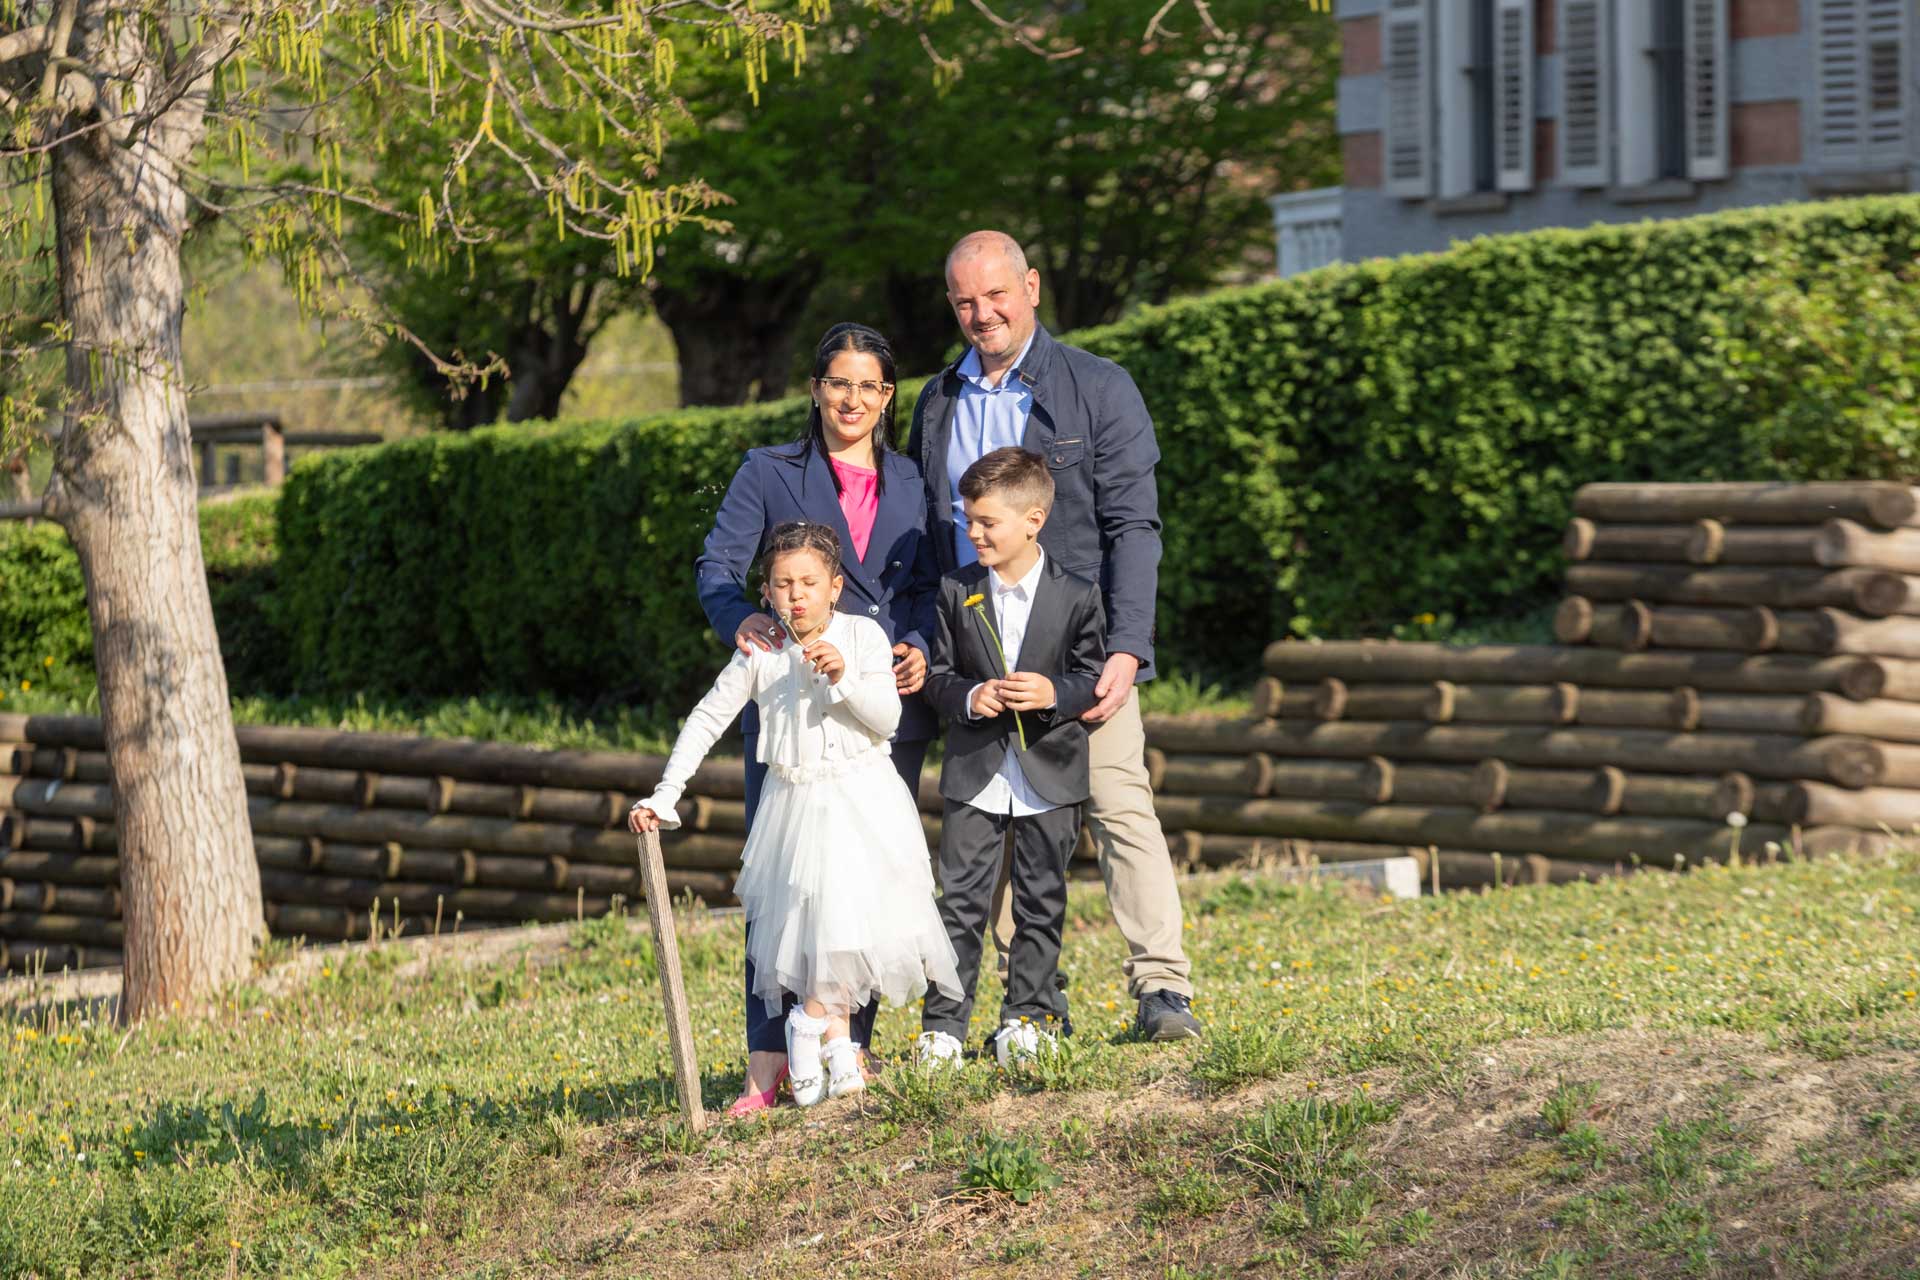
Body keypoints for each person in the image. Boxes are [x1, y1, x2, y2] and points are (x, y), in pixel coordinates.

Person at [906, 230, 1203, 1042]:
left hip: (1078, 650)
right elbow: (930, 537)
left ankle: (1162, 991)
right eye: (964, 300)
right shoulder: (935, 404)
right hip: (976, 655)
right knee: (992, 826)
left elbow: (1134, 526)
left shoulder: (1099, 388)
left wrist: (1127, 647)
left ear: (1031, 287)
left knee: (1117, 805)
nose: (981, 313)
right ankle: (1032, 1006)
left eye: (996, 295)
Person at [695, 323, 942, 1114]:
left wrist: (916, 646)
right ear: (815, 388)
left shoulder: (912, 479)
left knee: (864, 886)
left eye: (870, 387)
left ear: (888, 397)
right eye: (840, 383)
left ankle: (850, 1048)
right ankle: (767, 1061)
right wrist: (742, 619)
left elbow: (928, 586)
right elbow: (717, 565)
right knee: (787, 884)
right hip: (791, 714)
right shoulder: (768, 471)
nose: (854, 400)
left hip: (873, 708)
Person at [636, 521, 961, 1106]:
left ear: (835, 586)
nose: (796, 595)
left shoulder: (862, 636)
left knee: (855, 927)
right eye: (782, 584)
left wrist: (842, 679)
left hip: (863, 800)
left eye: (809, 582)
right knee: (817, 930)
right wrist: (667, 791)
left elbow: (886, 718)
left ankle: (810, 1028)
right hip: (795, 807)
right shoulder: (761, 654)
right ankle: (838, 1056)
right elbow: (708, 718)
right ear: (766, 592)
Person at [917, 448, 1106, 1065]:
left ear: (1034, 519)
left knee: (1040, 899)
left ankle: (1029, 1016)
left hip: (1051, 770)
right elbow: (938, 677)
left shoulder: (1078, 594)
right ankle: (944, 1028)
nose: (973, 533)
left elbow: (1091, 673)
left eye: (987, 522)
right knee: (961, 902)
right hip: (975, 771)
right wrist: (971, 695)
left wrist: (1056, 693)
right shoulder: (955, 590)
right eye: (968, 519)